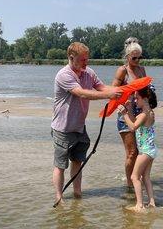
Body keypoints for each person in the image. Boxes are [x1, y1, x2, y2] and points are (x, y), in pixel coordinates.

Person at [51, 42, 122, 205]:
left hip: (79, 127)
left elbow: (102, 87)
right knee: (60, 165)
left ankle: (77, 193)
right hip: (62, 128)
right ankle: (58, 197)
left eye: (87, 59)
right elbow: (81, 94)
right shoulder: (63, 75)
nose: (86, 63)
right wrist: (108, 96)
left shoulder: (88, 72)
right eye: (83, 60)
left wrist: (124, 92)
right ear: (71, 58)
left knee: (77, 161)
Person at [112, 37, 147, 193]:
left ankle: (135, 177)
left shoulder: (141, 70)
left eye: (140, 57)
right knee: (132, 152)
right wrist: (122, 103)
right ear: (127, 57)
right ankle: (129, 184)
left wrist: (148, 108)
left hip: (140, 114)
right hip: (125, 115)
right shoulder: (122, 70)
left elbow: (145, 91)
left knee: (141, 151)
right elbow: (113, 92)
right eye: (134, 58)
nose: (137, 60)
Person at [118, 86, 158, 212]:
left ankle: (139, 205)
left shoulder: (144, 114)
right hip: (151, 150)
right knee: (146, 177)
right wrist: (129, 110)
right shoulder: (150, 112)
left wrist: (124, 114)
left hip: (145, 151)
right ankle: (151, 202)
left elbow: (133, 127)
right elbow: (136, 121)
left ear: (145, 99)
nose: (135, 101)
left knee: (134, 177)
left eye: (137, 98)